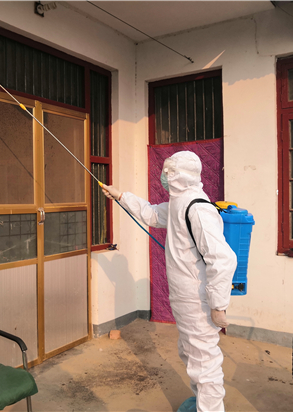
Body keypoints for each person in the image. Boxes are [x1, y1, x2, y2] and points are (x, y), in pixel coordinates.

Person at [102, 151, 237, 412]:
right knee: (189, 352)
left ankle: (210, 409)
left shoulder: (198, 208)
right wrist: (121, 196)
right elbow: (152, 214)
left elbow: (223, 259)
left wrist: (218, 305)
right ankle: (201, 403)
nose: (164, 176)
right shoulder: (178, 202)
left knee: (204, 361)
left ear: (184, 174)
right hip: (184, 296)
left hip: (197, 298)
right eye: (165, 171)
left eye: (170, 172)